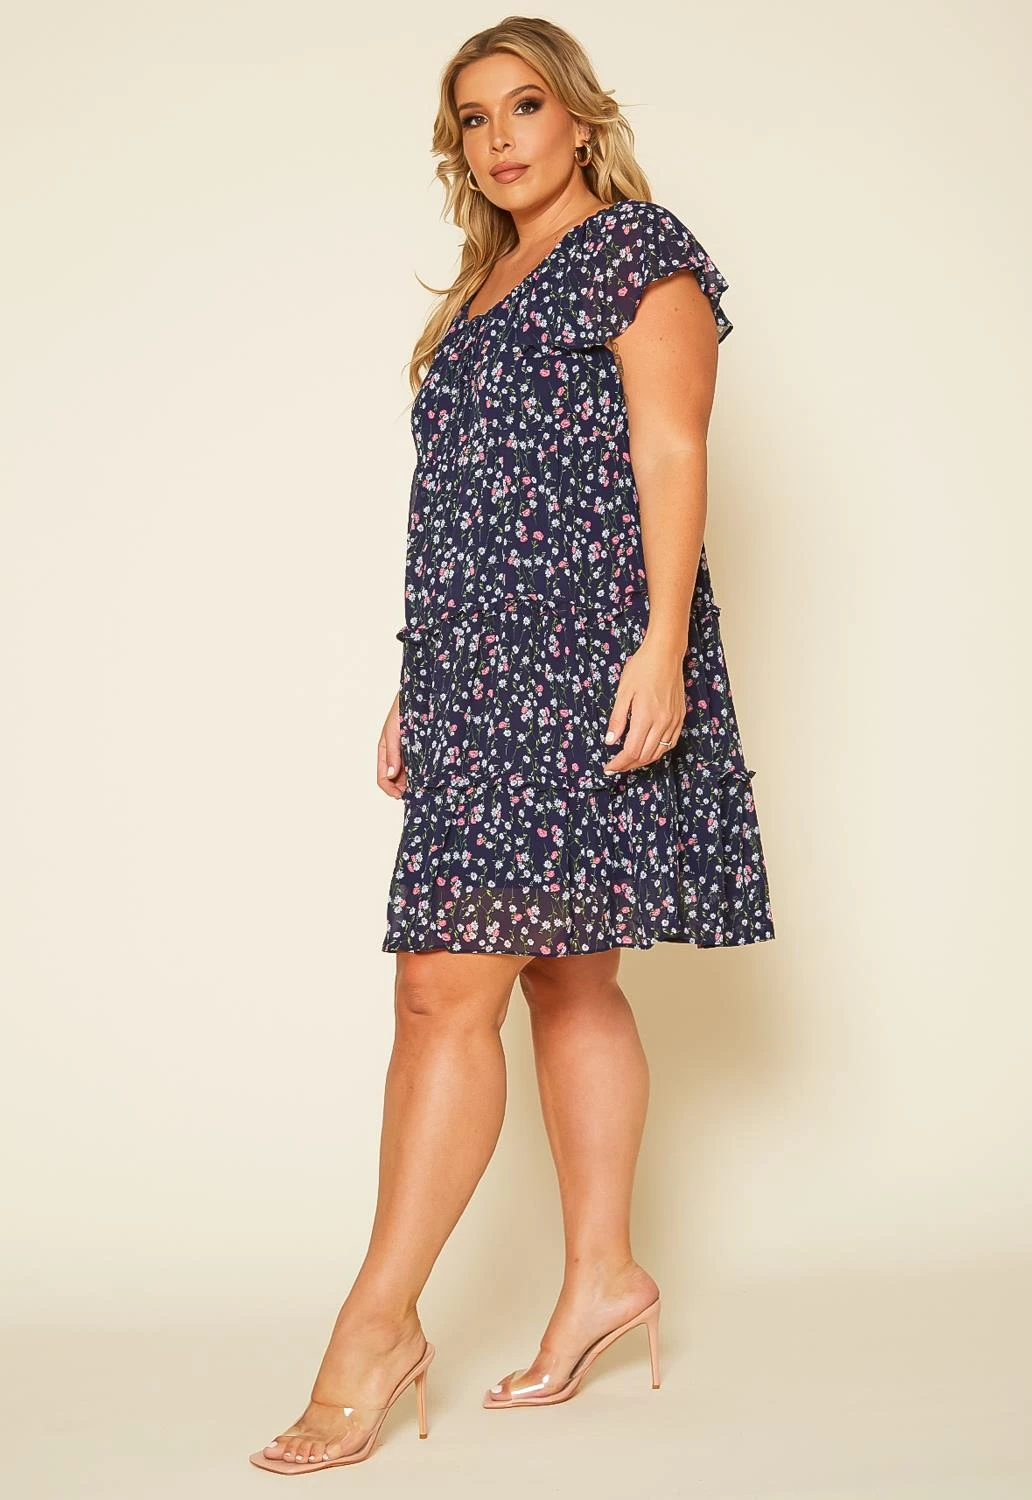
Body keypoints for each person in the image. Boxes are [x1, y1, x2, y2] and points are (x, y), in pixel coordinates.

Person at [249, 15, 774, 1476]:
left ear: (580, 118)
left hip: (585, 663)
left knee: (441, 989)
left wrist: (660, 646)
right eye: (474, 120)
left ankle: (373, 1328)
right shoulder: (482, 288)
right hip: (474, 676)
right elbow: (465, 508)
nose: (498, 139)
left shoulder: (637, 253)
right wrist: (415, 681)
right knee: (567, 974)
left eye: (523, 106)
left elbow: (672, 449)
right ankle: (604, 1273)